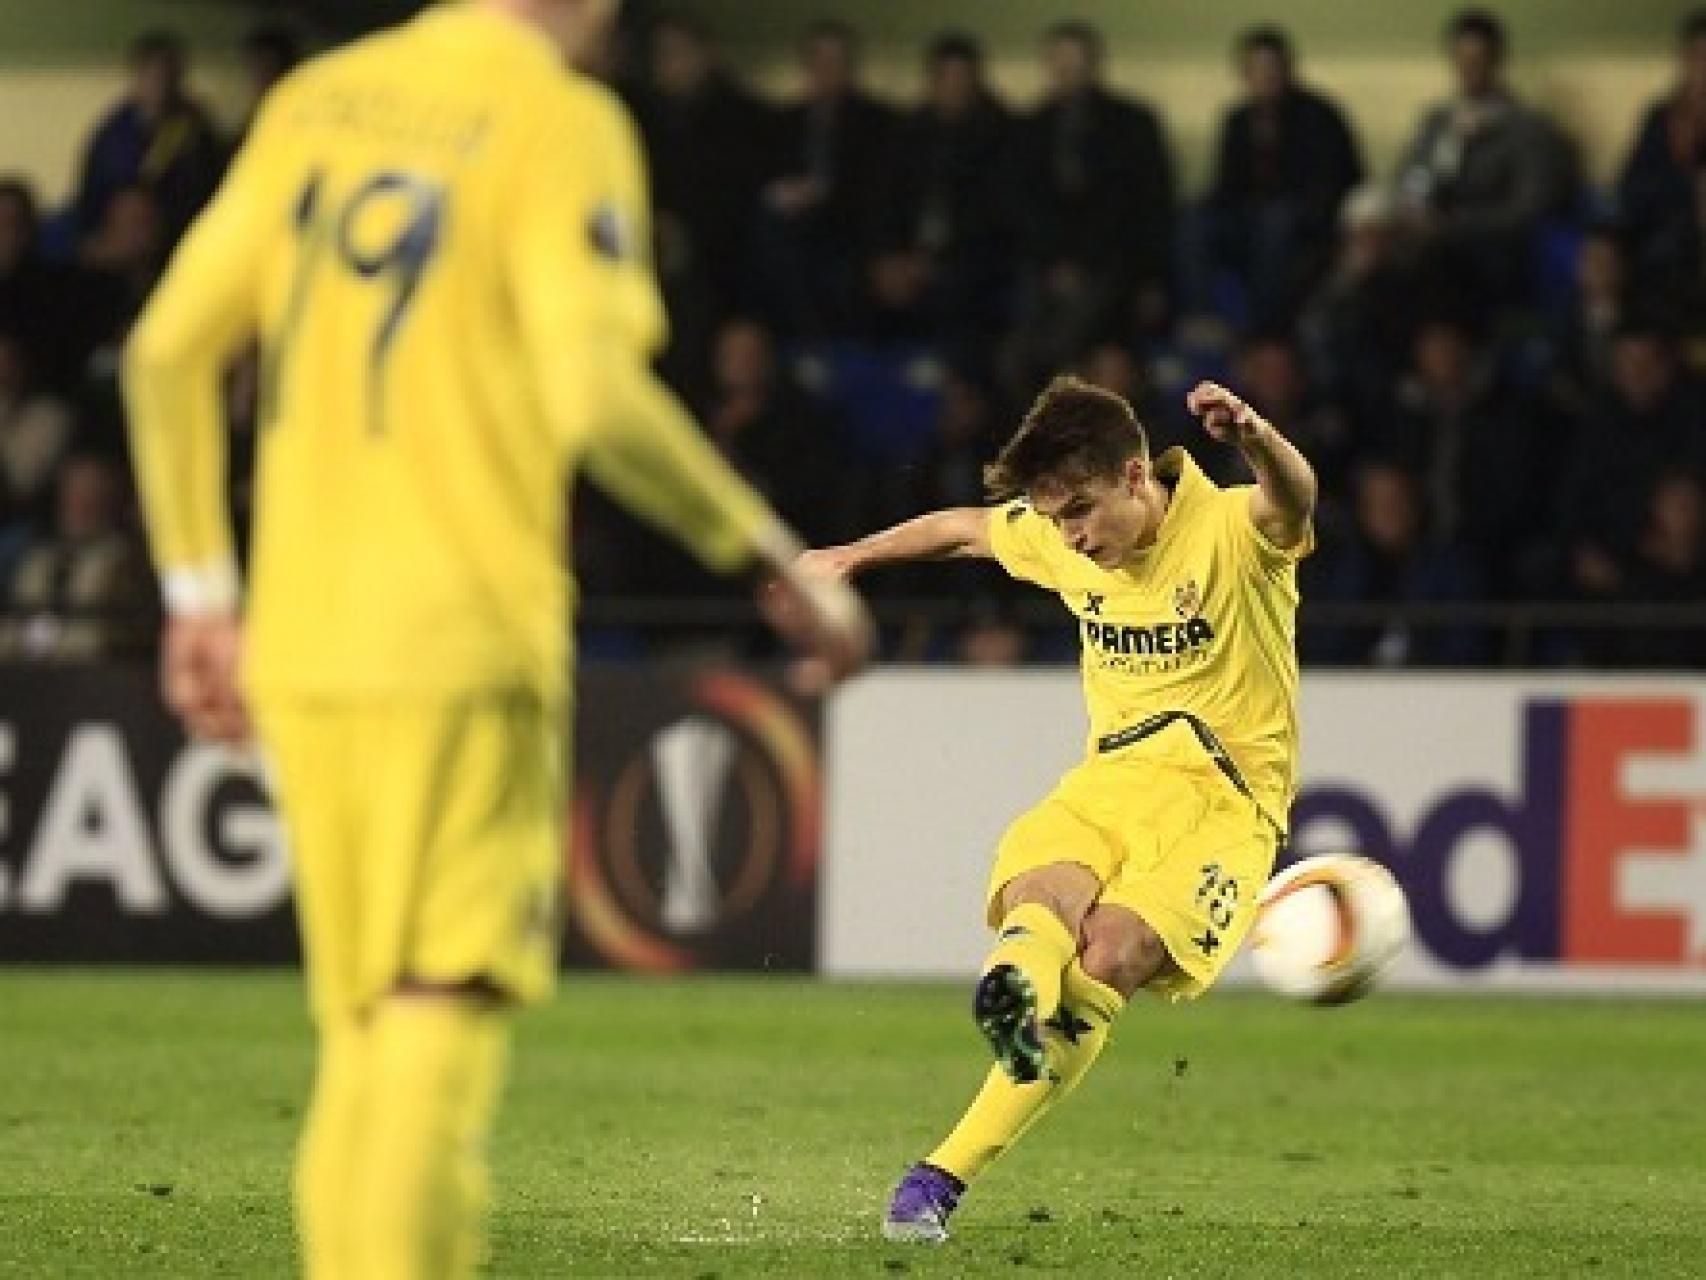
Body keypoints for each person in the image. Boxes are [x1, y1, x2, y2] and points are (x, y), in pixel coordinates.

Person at [121, 2, 873, 1277]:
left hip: (301, 640)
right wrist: (758, 548)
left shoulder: (319, 99)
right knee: (433, 1014)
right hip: (457, 637)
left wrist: (200, 592)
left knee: (365, 1028)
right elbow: (590, 391)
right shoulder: (556, 120)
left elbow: (166, 353)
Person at [801, 374, 1316, 1243]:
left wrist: (1257, 435)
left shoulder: (1232, 530)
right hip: (1111, 776)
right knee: (1041, 891)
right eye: (1053, 521)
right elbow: (961, 530)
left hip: (1224, 804)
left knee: (1110, 953)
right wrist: (846, 558)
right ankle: (1012, 1000)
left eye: (1080, 511)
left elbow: (1293, 498)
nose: (1069, 539)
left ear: (1134, 476)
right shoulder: (1060, 539)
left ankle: (941, 1173)